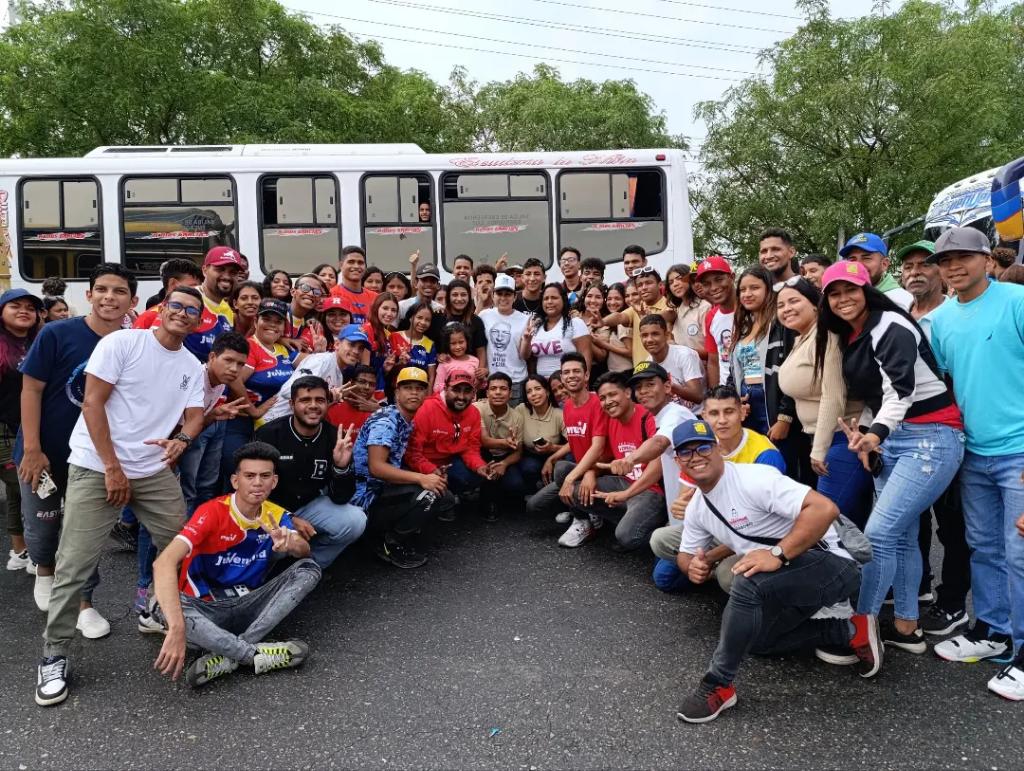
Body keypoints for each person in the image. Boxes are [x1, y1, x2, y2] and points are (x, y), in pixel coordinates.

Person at [34, 286, 208, 707]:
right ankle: (53, 654)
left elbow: (196, 413)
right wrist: (113, 467)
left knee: (182, 546)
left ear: (199, 321)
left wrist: (182, 440)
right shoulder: (123, 343)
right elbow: (92, 404)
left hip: (151, 469)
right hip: (97, 465)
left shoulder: (191, 364)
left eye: (192, 311)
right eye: (177, 306)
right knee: (75, 562)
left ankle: (155, 609)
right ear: (162, 309)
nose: (183, 314)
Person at [672, 419, 879, 724]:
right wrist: (694, 567)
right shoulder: (698, 508)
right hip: (790, 580)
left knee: (747, 582)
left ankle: (718, 684)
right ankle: (852, 630)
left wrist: (777, 554)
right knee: (755, 640)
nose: (696, 456)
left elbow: (825, 510)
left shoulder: (754, 478)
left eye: (702, 447)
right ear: (678, 461)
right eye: (686, 452)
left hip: (836, 565)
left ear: (717, 449)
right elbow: (685, 554)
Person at [818, 260, 963, 656]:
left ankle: (861, 629)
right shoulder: (852, 335)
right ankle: (906, 626)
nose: (843, 298)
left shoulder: (890, 325)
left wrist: (874, 435)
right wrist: (867, 432)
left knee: (878, 535)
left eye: (851, 290)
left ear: (868, 290)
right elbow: (875, 396)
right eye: (834, 292)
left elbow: (901, 390)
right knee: (898, 536)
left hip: (933, 436)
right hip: (895, 439)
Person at [927, 227, 1024, 699]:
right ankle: (995, 632)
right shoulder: (943, 319)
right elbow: (948, 384)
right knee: (984, 547)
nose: (953, 267)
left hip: (1019, 452)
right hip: (974, 453)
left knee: (1020, 554)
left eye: (963, 257)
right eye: (945, 261)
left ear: (987, 258)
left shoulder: (1016, 301)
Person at [17, 265, 135, 622]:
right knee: (43, 523)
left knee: (84, 531)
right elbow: (31, 389)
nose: (109, 297)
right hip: (46, 448)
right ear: (88, 295)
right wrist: (32, 449)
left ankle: (83, 602)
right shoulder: (57, 333)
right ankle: (44, 569)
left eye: (119, 291)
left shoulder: (134, 341)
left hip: (95, 455)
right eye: (101, 289)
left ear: (133, 299)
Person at [151, 442, 320, 688]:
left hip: (247, 607)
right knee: (158, 604)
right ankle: (252, 655)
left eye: (264, 476)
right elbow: (163, 563)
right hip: (204, 613)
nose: (257, 483)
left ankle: (228, 654)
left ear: (274, 482)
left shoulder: (276, 515)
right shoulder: (212, 512)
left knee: (309, 568)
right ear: (235, 480)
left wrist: (291, 545)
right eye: (249, 476)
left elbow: (305, 551)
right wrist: (176, 627)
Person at [898, 240, 971, 637]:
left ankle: (953, 601)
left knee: (952, 523)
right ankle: (921, 586)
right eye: (907, 266)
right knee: (915, 520)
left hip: (948, 430)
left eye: (923, 265)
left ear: (940, 273)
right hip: (908, 434)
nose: (915, 272)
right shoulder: (902, 314)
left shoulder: (951, 315)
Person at [647, 385, 784, 593]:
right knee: (663, 568)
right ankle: (720, 570)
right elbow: (683, 501)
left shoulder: (764, 454)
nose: (721, 420)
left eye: (728, 411)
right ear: (704, 416)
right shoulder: (702, 447)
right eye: (714, 413)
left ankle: (747, 584)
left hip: (755, 534)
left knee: (727, 577)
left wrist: (709, 557)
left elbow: (760, 526)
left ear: (742, 412)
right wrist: (682, 506)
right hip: (716, 527)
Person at [775, 278, 871, 524]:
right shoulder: (802, 338)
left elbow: (834, 395)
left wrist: (819, 449)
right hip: (825, 440)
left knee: (827, 524)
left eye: (795, 301)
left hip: (841, 440)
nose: (787, 309)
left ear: (816, 305)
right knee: (849, 525)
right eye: (781, 305)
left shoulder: (826, 335)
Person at [254, 375, 366, 569]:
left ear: (328, 403)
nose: (313, 405)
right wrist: (288, 518)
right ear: (292, 404)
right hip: (270, 509)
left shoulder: (334, 437)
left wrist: (341, 467)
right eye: (305, 400)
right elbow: (250, 492)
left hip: (310, 505)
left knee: (356, 520)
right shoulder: (269, 434)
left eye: (320, 400)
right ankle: (268, 573)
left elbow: (341, 498)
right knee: (275, 550)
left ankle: (309, 566)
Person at [353, 367, 442, 568]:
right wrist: (421, 478)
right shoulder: (386, 421)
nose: (414, 393)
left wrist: (429, 472)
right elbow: (376, 468)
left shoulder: (404, 419)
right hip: (366, 496)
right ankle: (387, 543)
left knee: (440, 492)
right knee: (429, 494)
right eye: (408, 387)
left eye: (419, 388)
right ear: (397, 392)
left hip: (382, 488)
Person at [600, 362, 692, 557]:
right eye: (639, 387)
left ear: (667, 387)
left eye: (650, 384)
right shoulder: (660, 417)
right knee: (666, 576)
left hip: (694, 512)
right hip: (681, 510)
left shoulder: (676, 415)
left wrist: (630, 459)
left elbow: (659, 443)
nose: (643, 392)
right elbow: (658, 465)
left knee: (667, 576)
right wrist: (626, 494)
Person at [525, 354, 609, 545]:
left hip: (600, 469)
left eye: (576, 371)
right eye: (566, 372)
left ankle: (584, 520)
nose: (571, 376)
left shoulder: (598, 403)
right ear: (561, 377)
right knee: (534, 506)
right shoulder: (568, 405)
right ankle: (585, 509)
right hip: (581, 469)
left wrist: (578, 476)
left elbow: (598, 446)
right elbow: (576, 439)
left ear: (586, 375)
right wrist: (551, 457)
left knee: (563, 469)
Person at [177, 332, 250, 516]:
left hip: (194, 434)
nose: (234, 369)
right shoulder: (195, 378)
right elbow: (181, 424)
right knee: (187, 490)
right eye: (228, 360)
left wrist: (215, 414)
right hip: (175, 442)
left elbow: (198, 421)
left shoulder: (219, 381)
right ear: (212, 357)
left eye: (240, 364)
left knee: (204, 486)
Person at [404, 370, 493, 515]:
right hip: (422, 465)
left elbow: (471, 448)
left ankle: (448, 496)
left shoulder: (473, 413)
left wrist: (480, 467)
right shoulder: (426, 409)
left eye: (467, 391)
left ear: (474, 393)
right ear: (445, 389)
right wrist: (432, 470)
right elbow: (412, 453)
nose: (461, 397)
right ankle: (437, 501)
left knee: (476, 476)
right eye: (456, 390)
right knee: (434, 491)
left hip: (449, 463)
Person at [1, 288, 41, 574]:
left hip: (29, 427)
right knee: (25, 486)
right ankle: (37, 553)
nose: (24, 310)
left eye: (30, 306)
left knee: (17, 493)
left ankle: (20, 551)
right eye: (16, 306)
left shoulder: (39, 340)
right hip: (3, 430)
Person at [261, 324, 369, 424]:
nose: (356, 351)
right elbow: (288, 391)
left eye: (360, 348)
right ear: (337, 344)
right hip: (272, 422)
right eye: (351, 344)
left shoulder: (339, 375)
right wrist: (328, 395)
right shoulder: (320, 361)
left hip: (292, 427)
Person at [475, 372, 527, 521]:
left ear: (510, 393)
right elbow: (484, 441)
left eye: (503, 389)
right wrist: (505, 442)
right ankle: (489, 502)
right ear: (487, 392)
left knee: (516, 485)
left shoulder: (517, 417)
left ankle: (504, 498)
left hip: (505, 456)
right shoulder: (477, 408)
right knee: (488, 470)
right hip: (481, 452)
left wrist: (504, 464)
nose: (498, 392)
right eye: (493, 388)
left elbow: (518, 452)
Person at [601, 266, 668, 366]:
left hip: (664, 370)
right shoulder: (636, 308)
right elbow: (619, 316)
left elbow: (668, 315)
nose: (644, 287)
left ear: (660, 285)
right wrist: (602, 322)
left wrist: (649, 319)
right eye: (640, 285)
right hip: (640, 372)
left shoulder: (669, 306)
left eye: (648, 283)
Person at [479, 275, 529, 404]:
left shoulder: (524, 319)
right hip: (491, 381)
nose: (503, 298)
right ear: (493, 295)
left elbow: (525, 355)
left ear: (514, 296)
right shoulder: (484, 315)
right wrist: (480, 302)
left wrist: (527, 341)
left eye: (507, 294)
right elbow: (472, 335)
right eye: (499, 293)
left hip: (515, 381)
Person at [524, 283, 592, 378]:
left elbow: (585, 356)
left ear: (563, 300)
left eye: (554, 298)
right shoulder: (536, 326)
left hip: (569, 383)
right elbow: (529, 358)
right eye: (546, 298)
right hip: (543, 387)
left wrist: (585, 381)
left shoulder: (575, 323)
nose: (549, 301)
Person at [639, 314, 703, 410]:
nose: (649, 340)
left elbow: (697, 396)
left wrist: (668, 386)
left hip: (696, 416)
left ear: (666, 335)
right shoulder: (647, 363)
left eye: (655, 334)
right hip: (669, 416)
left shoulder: (685, 355)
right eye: (644, 335)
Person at [514, 374, 565, 493]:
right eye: (529, 391)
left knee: (561, 466)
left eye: (537, 389)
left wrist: (552, 449)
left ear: (547, 392)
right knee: (529, 468)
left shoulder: (559, 414)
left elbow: (573, 444)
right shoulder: (521, 409)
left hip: (554, 454)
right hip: (530, 455)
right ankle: (532, 490)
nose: (534, 394)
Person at [838, 232, 913, 311]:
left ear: (884, 264)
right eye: (852, 260)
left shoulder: (899, 302)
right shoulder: (842, 299)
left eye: (866, 258)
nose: (858, 265)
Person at [696, 256, 737, 388]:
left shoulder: (751, 308)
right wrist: (715, 395)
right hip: (728, 393)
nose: (713, 288)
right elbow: (713, 361)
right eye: (706, 284)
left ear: (732, 277)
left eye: (719, 279)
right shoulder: (711, 317)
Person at [360, 292, 407, 400]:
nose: (389, 313)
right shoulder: (367, 329)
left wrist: (395, 365)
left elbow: (381, 370)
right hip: (366, 393)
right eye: (385, 308)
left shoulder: (387, 334)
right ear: (376, 308)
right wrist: (371, 399)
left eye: (393, 310)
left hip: (380, 389)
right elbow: (364, 370)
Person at [663, 264, 709, 359]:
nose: (675, 284)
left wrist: (680, 350)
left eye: (679, 278)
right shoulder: (677, 311)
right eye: (671, 282)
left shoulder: (704, 307)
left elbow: (712, 352)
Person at [442, 279, 488, 372]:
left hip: (470, 374)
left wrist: (481, 370)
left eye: (463, 295)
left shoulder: (476, 321)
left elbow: (481, 350)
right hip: (445, 373)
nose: (459, 299)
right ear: (448, 297)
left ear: (469, 297)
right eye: (455, 295)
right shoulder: (439, 318)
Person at [590, 283, 633, 373]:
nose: (612, 302)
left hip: (626, 372)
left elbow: (631, 352)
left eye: (617, 299)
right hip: (614, 372)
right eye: (609, 299)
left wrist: (603, 344)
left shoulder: (623, 322)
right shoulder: (611, 322)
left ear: (624, 300)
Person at [396, 301, 438, 391]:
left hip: (419, 393)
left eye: (427, 320)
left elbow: (431, 377)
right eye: (419, 317)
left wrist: (428, 400)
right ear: (411, 317)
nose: (423, 322)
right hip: (396, 392)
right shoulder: (394, 337)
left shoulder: (430, 344)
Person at [330, 246, 377, 324]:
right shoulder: (331, 294)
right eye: (351, 262)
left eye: (360, 263)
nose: (356, 266)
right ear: (341, 265)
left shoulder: (375, 298)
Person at [325, 364, 379, 431]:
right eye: (362, 382)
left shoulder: (378, 412)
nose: (367, 387)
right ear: (351, 382)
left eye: (372, 384)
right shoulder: (331, 408)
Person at [283, 273, 325, 351]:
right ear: (293, 292)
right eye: (305, 288)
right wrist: (283, 340)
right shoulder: (277, 312)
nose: (311, 294)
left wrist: (318, 352)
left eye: (317, 292)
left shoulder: (314, 326)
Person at [434, 323, 479, 395]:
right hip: (448, 403)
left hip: (470, 403)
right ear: (447, 344)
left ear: (467, 341)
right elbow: (436, 388)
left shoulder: (475, 361)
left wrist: (482, 380)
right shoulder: (445, 361)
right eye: (453, 343)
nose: (458, 347)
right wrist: (452, 388)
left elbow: (479, 386)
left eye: (461, 342)